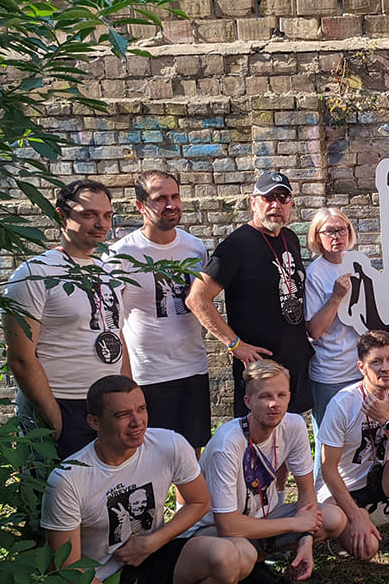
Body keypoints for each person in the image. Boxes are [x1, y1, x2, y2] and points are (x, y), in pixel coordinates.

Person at [41, 376, 254, 584]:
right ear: (94, 422)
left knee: (234, 555)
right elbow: (67, 569)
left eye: (141, 409)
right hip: (100, 583)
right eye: (122, 414)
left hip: (152, 558)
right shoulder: (68, 480)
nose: (137, 421)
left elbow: (198, 502)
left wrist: (154, 541)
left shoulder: (169, 444)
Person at [188, 360, 347, 584]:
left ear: (289, 397)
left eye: (281, 395)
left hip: (262, 517)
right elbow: (227, 526)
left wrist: (306, 540)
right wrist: (294, 524)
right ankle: (244, 569)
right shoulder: (227, 444)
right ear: (248, 402)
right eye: (265, 397)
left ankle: (257, 562)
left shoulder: (294, 425)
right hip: (214, 532)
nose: (274, 404)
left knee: (333, 518)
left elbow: (306, 493)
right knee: (242, 551)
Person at [5, 179, 130, 459]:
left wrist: (129, 396)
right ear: (61, 215)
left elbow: (118, 336)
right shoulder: (35, 273)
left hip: (108, 406)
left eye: (107, 215)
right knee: (53, 486)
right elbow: (20, 358)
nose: (100, 223)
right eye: (89, 214)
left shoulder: (107, 273)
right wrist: (54, 418)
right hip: (61, 404)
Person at [187, 171, 313, 415]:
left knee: (292, 434)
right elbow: (197, 298)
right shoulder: (236, 245)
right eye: (269, 198)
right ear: (253, 203)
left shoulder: (289, 237)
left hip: (293, 366)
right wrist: (234, 344)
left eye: (283, 198)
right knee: (258, 436)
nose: (276, 204)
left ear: (291, 205)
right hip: (260, 371)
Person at [106, 170, 210, 452]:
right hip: (147, 374)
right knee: (147, 455)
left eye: (175, 196)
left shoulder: (195, 248)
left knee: (191, 453)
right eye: (160, 198)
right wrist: (125, 378)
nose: (171, 204)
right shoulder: (120, 255)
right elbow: (112, 322)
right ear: (140, 206)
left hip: (192, 368)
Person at [316, 330, 389, 572]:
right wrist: (355, 515)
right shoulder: (342, 403)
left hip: (377, 477)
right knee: (367, 549)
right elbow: (328, 470)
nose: (385, 368)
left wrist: (386, 420)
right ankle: (342, 527)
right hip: (342, 488)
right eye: (376, 362)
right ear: (361, 367)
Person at [305, 208, 365, 435]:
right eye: (329, 231)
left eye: (341, 229)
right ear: (317, 236)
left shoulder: (359, 263)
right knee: (330, 439)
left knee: (359, 440)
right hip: (331, 374)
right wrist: (336, 297)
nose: (337, 236)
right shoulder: (315, 273)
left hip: (362, 369)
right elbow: (315, 330)